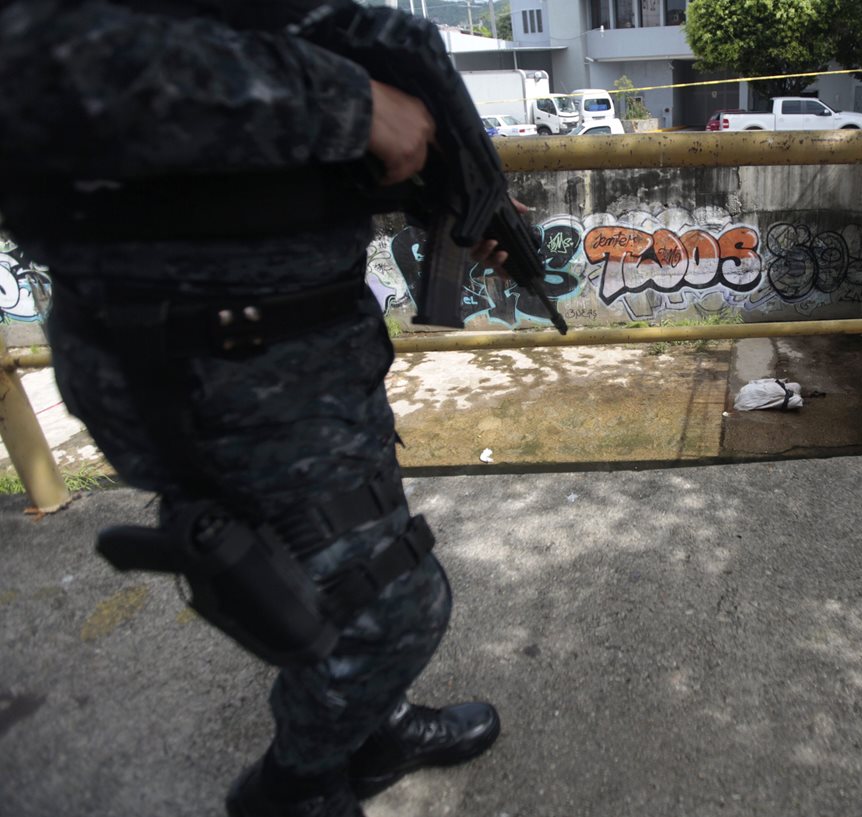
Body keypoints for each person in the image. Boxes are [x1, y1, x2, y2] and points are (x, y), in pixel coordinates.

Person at [0, 2, 512, 816]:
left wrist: (438, 191)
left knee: (338, 576)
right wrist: (346, 102)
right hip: (202, 361)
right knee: (391, 609)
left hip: (313, 360)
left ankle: (371, 730)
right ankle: (294, 788)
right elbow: (33, 63)